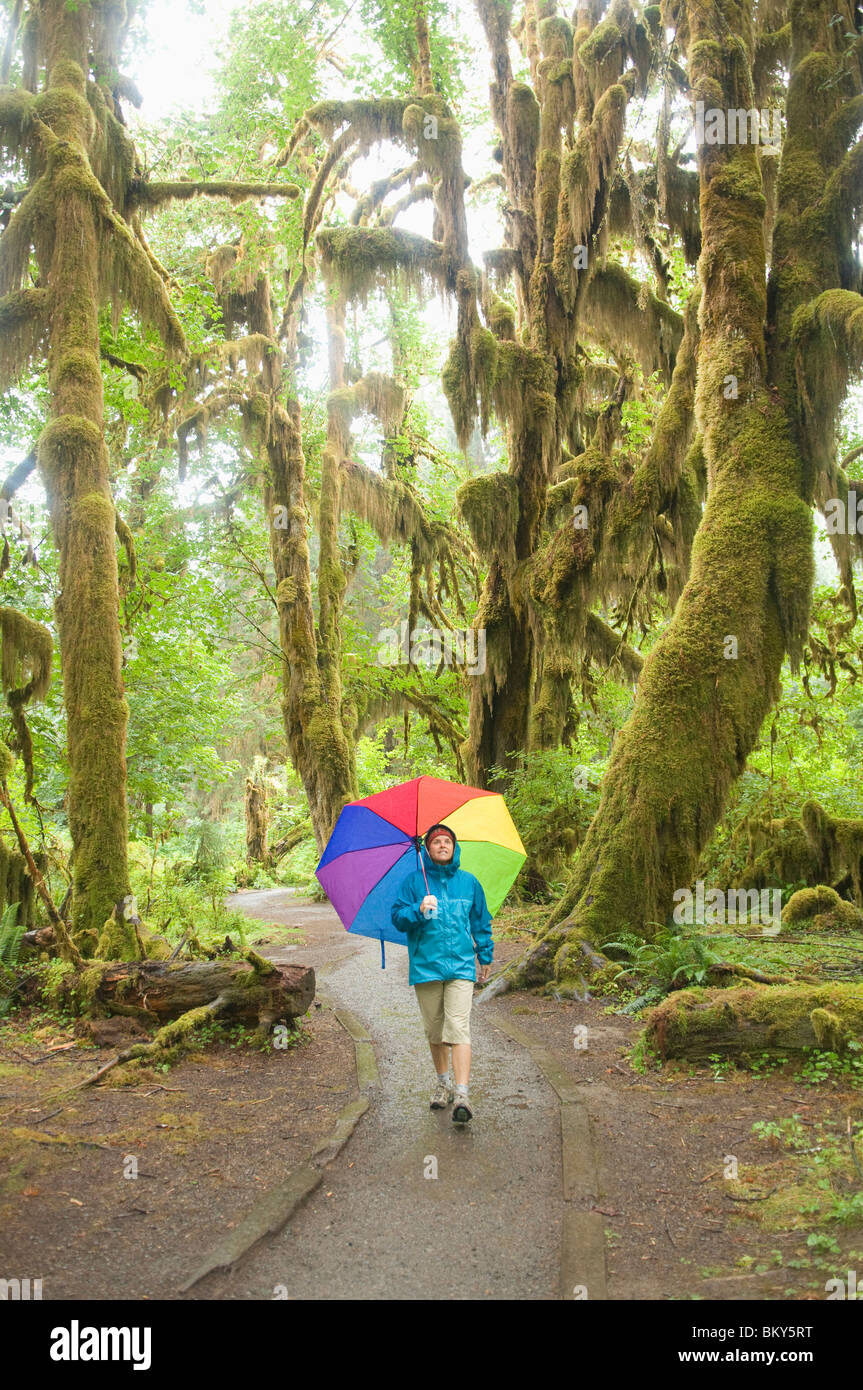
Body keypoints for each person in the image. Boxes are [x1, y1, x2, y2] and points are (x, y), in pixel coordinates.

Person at [391, 823, 493, 1123]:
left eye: (448, 841)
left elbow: (480, 920)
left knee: (458, 1028)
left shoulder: (469, 883)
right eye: (437, 842)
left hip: (461, 965)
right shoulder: (413, 883)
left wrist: (484, 953)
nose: (443, 845)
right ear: (428, 848)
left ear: (455, 847)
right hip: (426, 966)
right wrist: (418, 910)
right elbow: (397, 918)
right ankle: (443, 1083)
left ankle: (462, 1093)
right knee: (435, 1031)